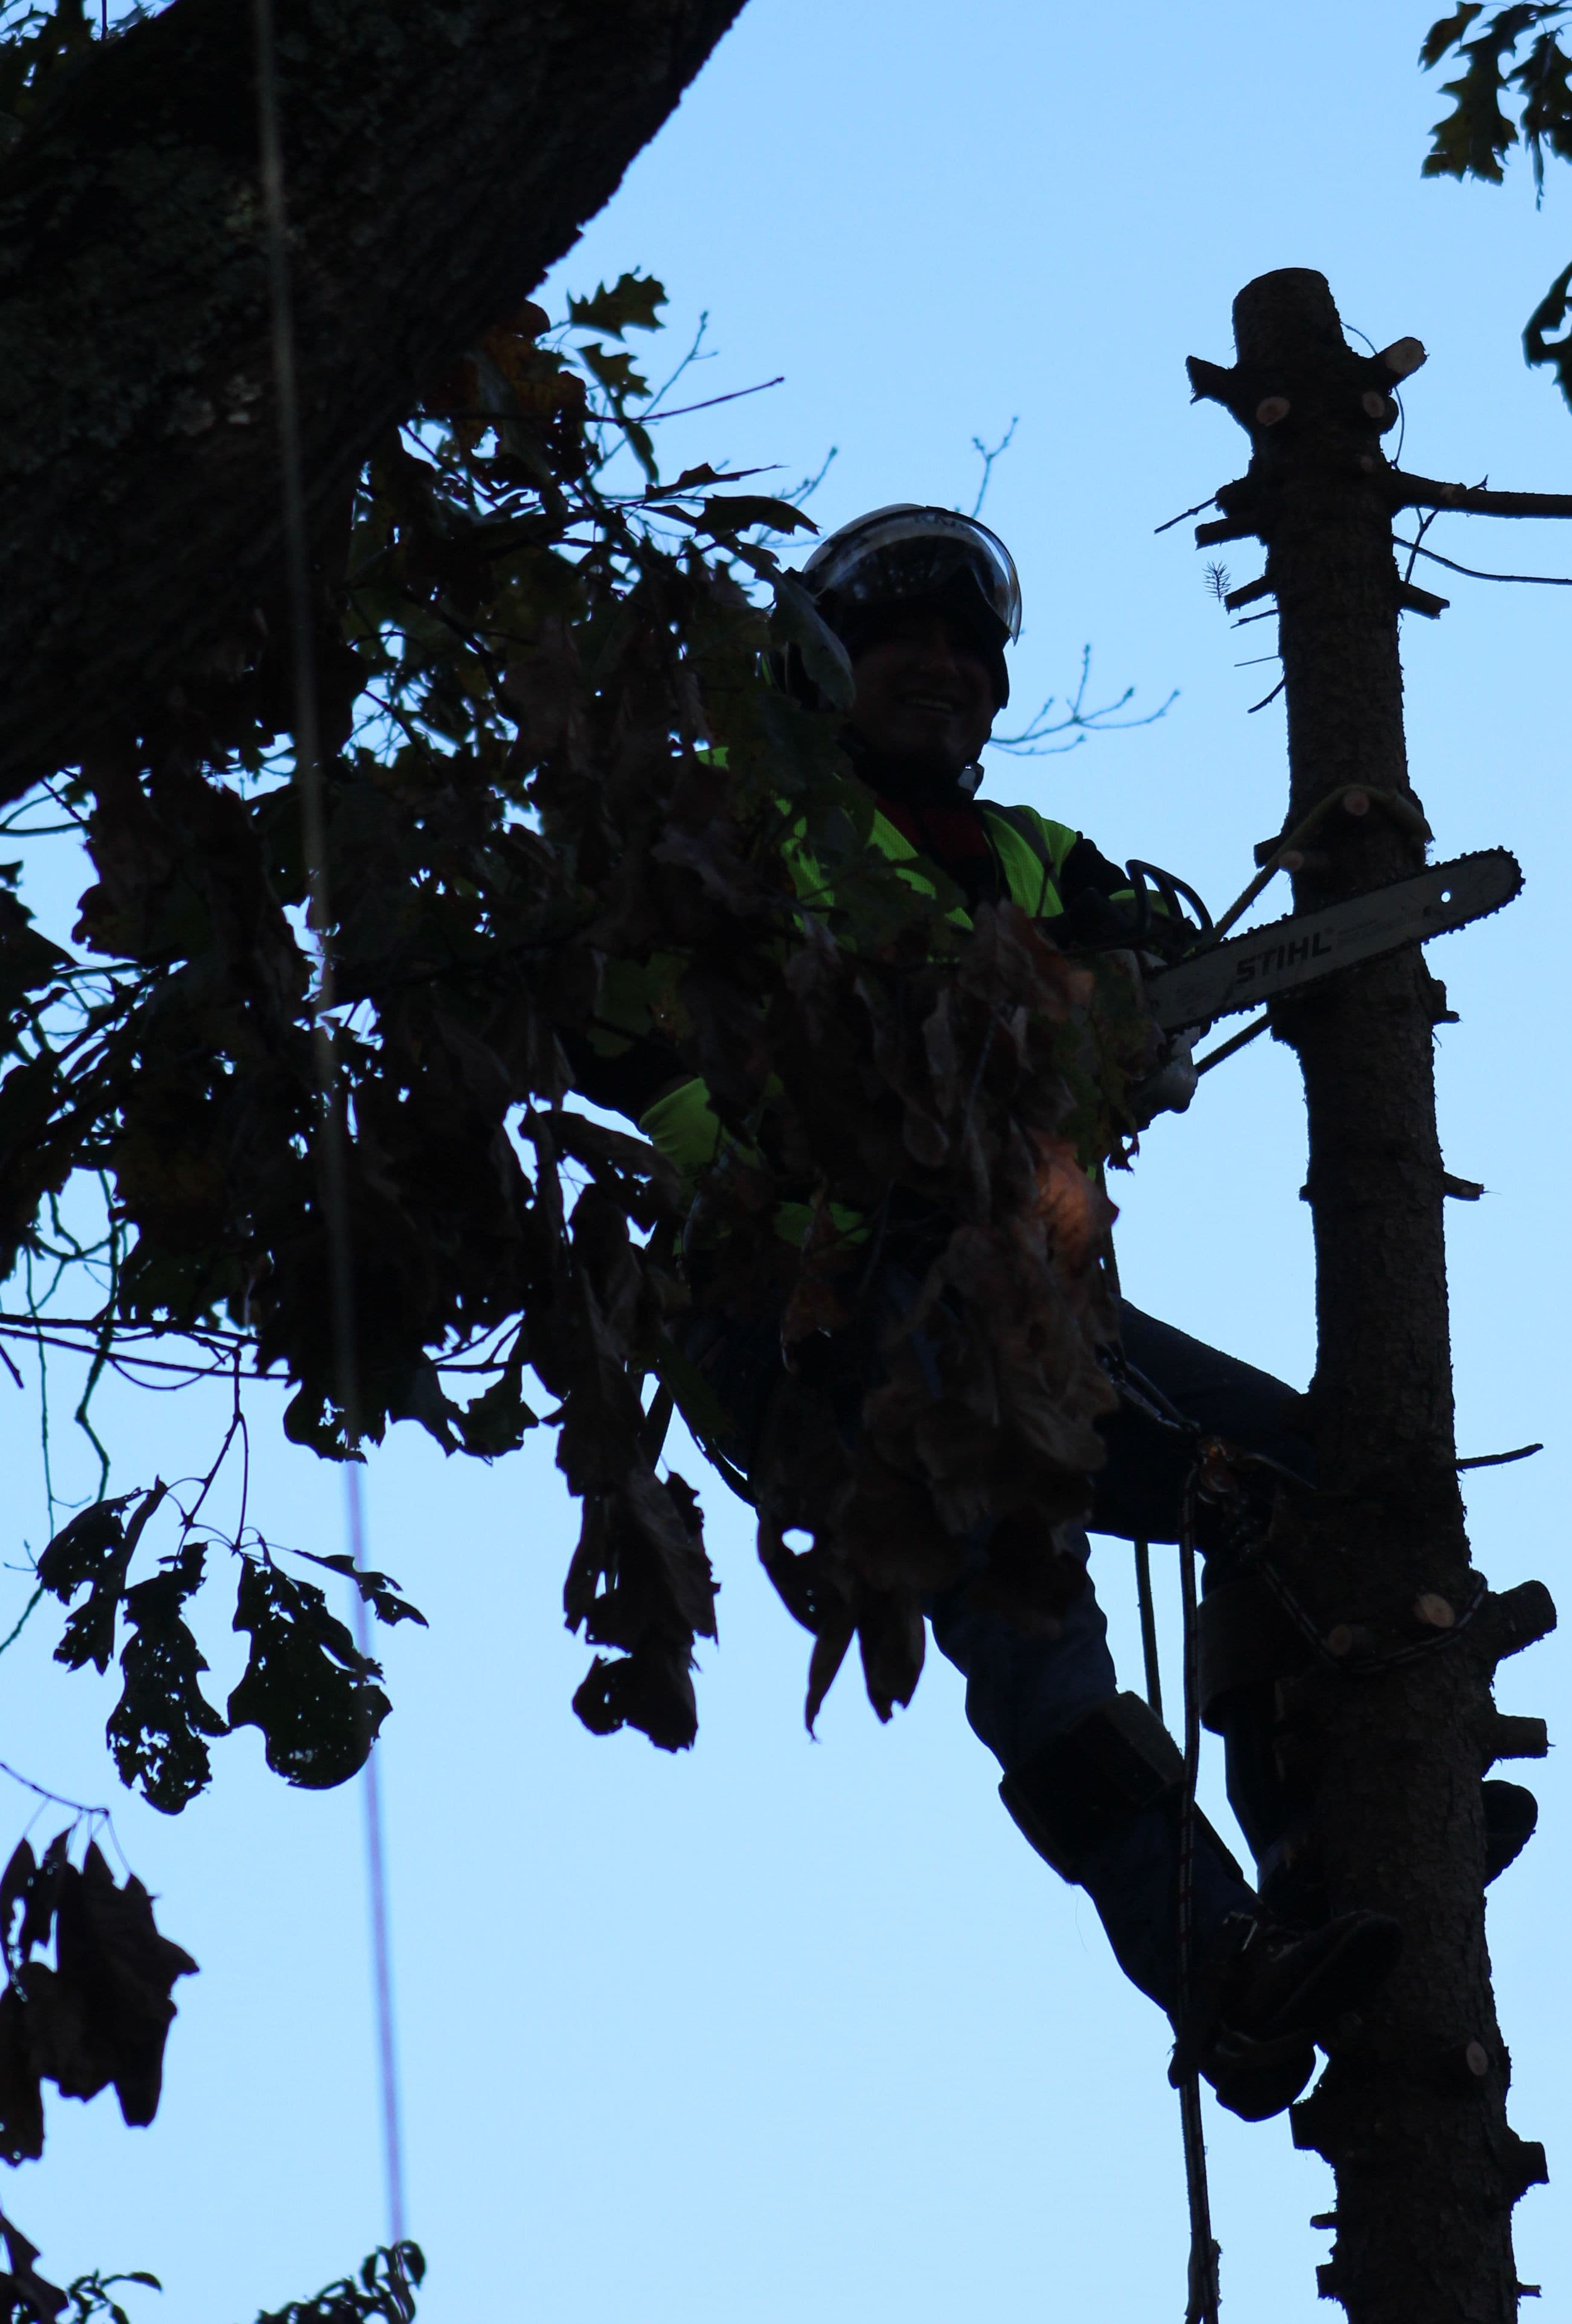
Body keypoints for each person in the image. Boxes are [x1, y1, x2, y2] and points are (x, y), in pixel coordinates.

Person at [578, 505, 1402, 2122]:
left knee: (1306, 1476)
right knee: (1033, 1639)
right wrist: (791, 1157)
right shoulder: (745, 836)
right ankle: (1217, 1960)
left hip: (1013, 1299)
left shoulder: (1023, 855)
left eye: (973, 647)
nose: (947, 670)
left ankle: (1322, 1844)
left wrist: (1128, 1013)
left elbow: (1138, 944)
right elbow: (626, 1062)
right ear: (828, 662)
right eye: (911, 641)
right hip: (814, 1318)